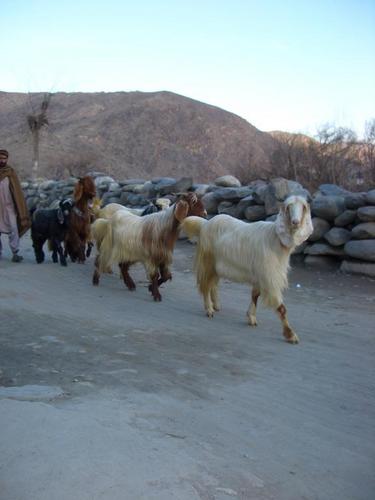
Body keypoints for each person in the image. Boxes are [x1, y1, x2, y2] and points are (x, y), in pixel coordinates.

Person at [0, 149, 31, 262]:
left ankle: (15, 252)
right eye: (0, 158)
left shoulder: (11, 172)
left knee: (14, 228)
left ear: (7, 159)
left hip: (9, 207)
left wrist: (19, 207)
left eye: (4, 158)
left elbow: (17, 191)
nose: (2, 160)